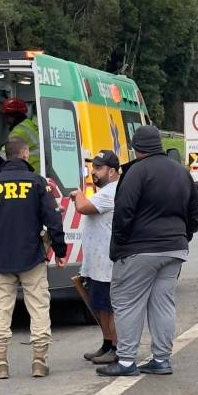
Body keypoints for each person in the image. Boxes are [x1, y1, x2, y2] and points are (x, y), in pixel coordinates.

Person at [97, 125, 198, 377]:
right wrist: (182, 236)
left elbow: (123, 213)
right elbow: (194, 214)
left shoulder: (135, 172)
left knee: (127, 304)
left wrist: (120, 245)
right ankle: (162, 359)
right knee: (162, 304)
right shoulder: (181, 172)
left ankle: (125, 362)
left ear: (136, 148)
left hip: (138, 249)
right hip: (174, 249)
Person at [0, 136, 67, 379]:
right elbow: (53, 221)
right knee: (38, 308)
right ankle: (39, 361)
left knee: (1, 311)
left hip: (1, 258)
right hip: (32, 257)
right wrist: (60, 251)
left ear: (6, 154)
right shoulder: (37, 183)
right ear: (25, 155)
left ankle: (0, 362)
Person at [69, 149, 120, 365]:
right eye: (93, 167)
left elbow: (83, 207)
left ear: (113, 171)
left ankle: (117, 347)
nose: (94, 172)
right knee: (100, 306)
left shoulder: (112, 191)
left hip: (107, 264)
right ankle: (107, 343)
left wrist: (77, 193)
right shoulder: (105, 191)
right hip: (98, 264)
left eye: (99, 168)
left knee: (108, 307)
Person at [0, 98, 34, 175]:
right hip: (35, 172)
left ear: (10, 116)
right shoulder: (30, 125)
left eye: (5, 116)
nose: (5, 120)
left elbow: (2, 156)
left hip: (29, 172)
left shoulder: (19, 132)